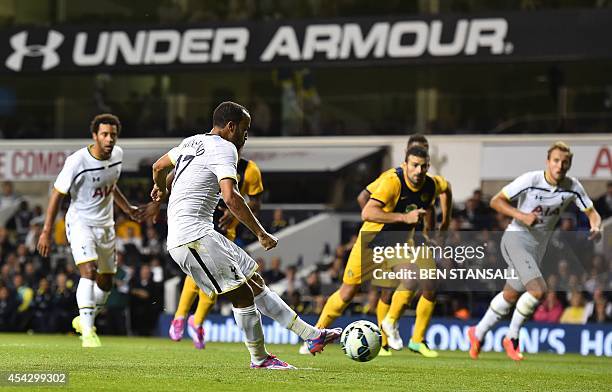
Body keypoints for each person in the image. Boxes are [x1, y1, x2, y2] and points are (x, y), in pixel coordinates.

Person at [150, 101, 340, 369]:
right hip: (192, 238)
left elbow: (159, 167)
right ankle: (260, 359)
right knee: (241, 295)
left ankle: (312, 336)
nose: (246, 136)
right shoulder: (226, 148)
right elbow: (231, 196)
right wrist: (261, 233)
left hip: (202, 234)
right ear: (230, 127)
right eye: (245, 129)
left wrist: (161, 190)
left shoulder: (191, 142)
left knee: (255, 282)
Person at [311, 135, 451, 357]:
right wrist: (403, 219)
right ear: (405, 163)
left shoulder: (430, 185)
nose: (419, 170)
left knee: (413, 277)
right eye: (415, 165)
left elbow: (445, 190)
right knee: (348, 292)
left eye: (424, 166)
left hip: (397, 243)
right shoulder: (391, 181)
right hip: (371, 240)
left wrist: (443, 225)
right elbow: (366, 210)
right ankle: (315, 335)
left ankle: (390, 324)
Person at [468, 141, 602, 361]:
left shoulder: (572, 186)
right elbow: (496, 201)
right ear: (548, 162)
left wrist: (596, 226)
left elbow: (592, 212)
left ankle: (478, 332)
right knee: (538, 290)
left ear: (569, 165)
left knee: (510, 295)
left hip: (538, 247)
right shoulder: (531, 180)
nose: (560, 166)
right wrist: (522, 216)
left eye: (565, 162)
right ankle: (511, 338)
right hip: (515, 238)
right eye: (556, 161)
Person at [37, 113, 149, 347]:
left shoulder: (117, 155)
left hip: (106, 226)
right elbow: (57, 194)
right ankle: (88, 332)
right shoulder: (77, 161)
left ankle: (84, 319)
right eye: (105, 134)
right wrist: (46, 231)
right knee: (88, 271)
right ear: (95, 136)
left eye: (113, 135)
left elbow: (110, 185)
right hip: (81, 223)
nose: (110, 139)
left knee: (106, 282)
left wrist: (127, 208)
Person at [168, 152, 265, 349]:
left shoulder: (249, 169)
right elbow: (172, 178)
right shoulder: (206, 157)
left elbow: (255, 201)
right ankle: (185, 319)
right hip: (198, 223)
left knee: (212, 280)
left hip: (224, 231)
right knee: (201, 274)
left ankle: (190, 320)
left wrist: (235, 211)